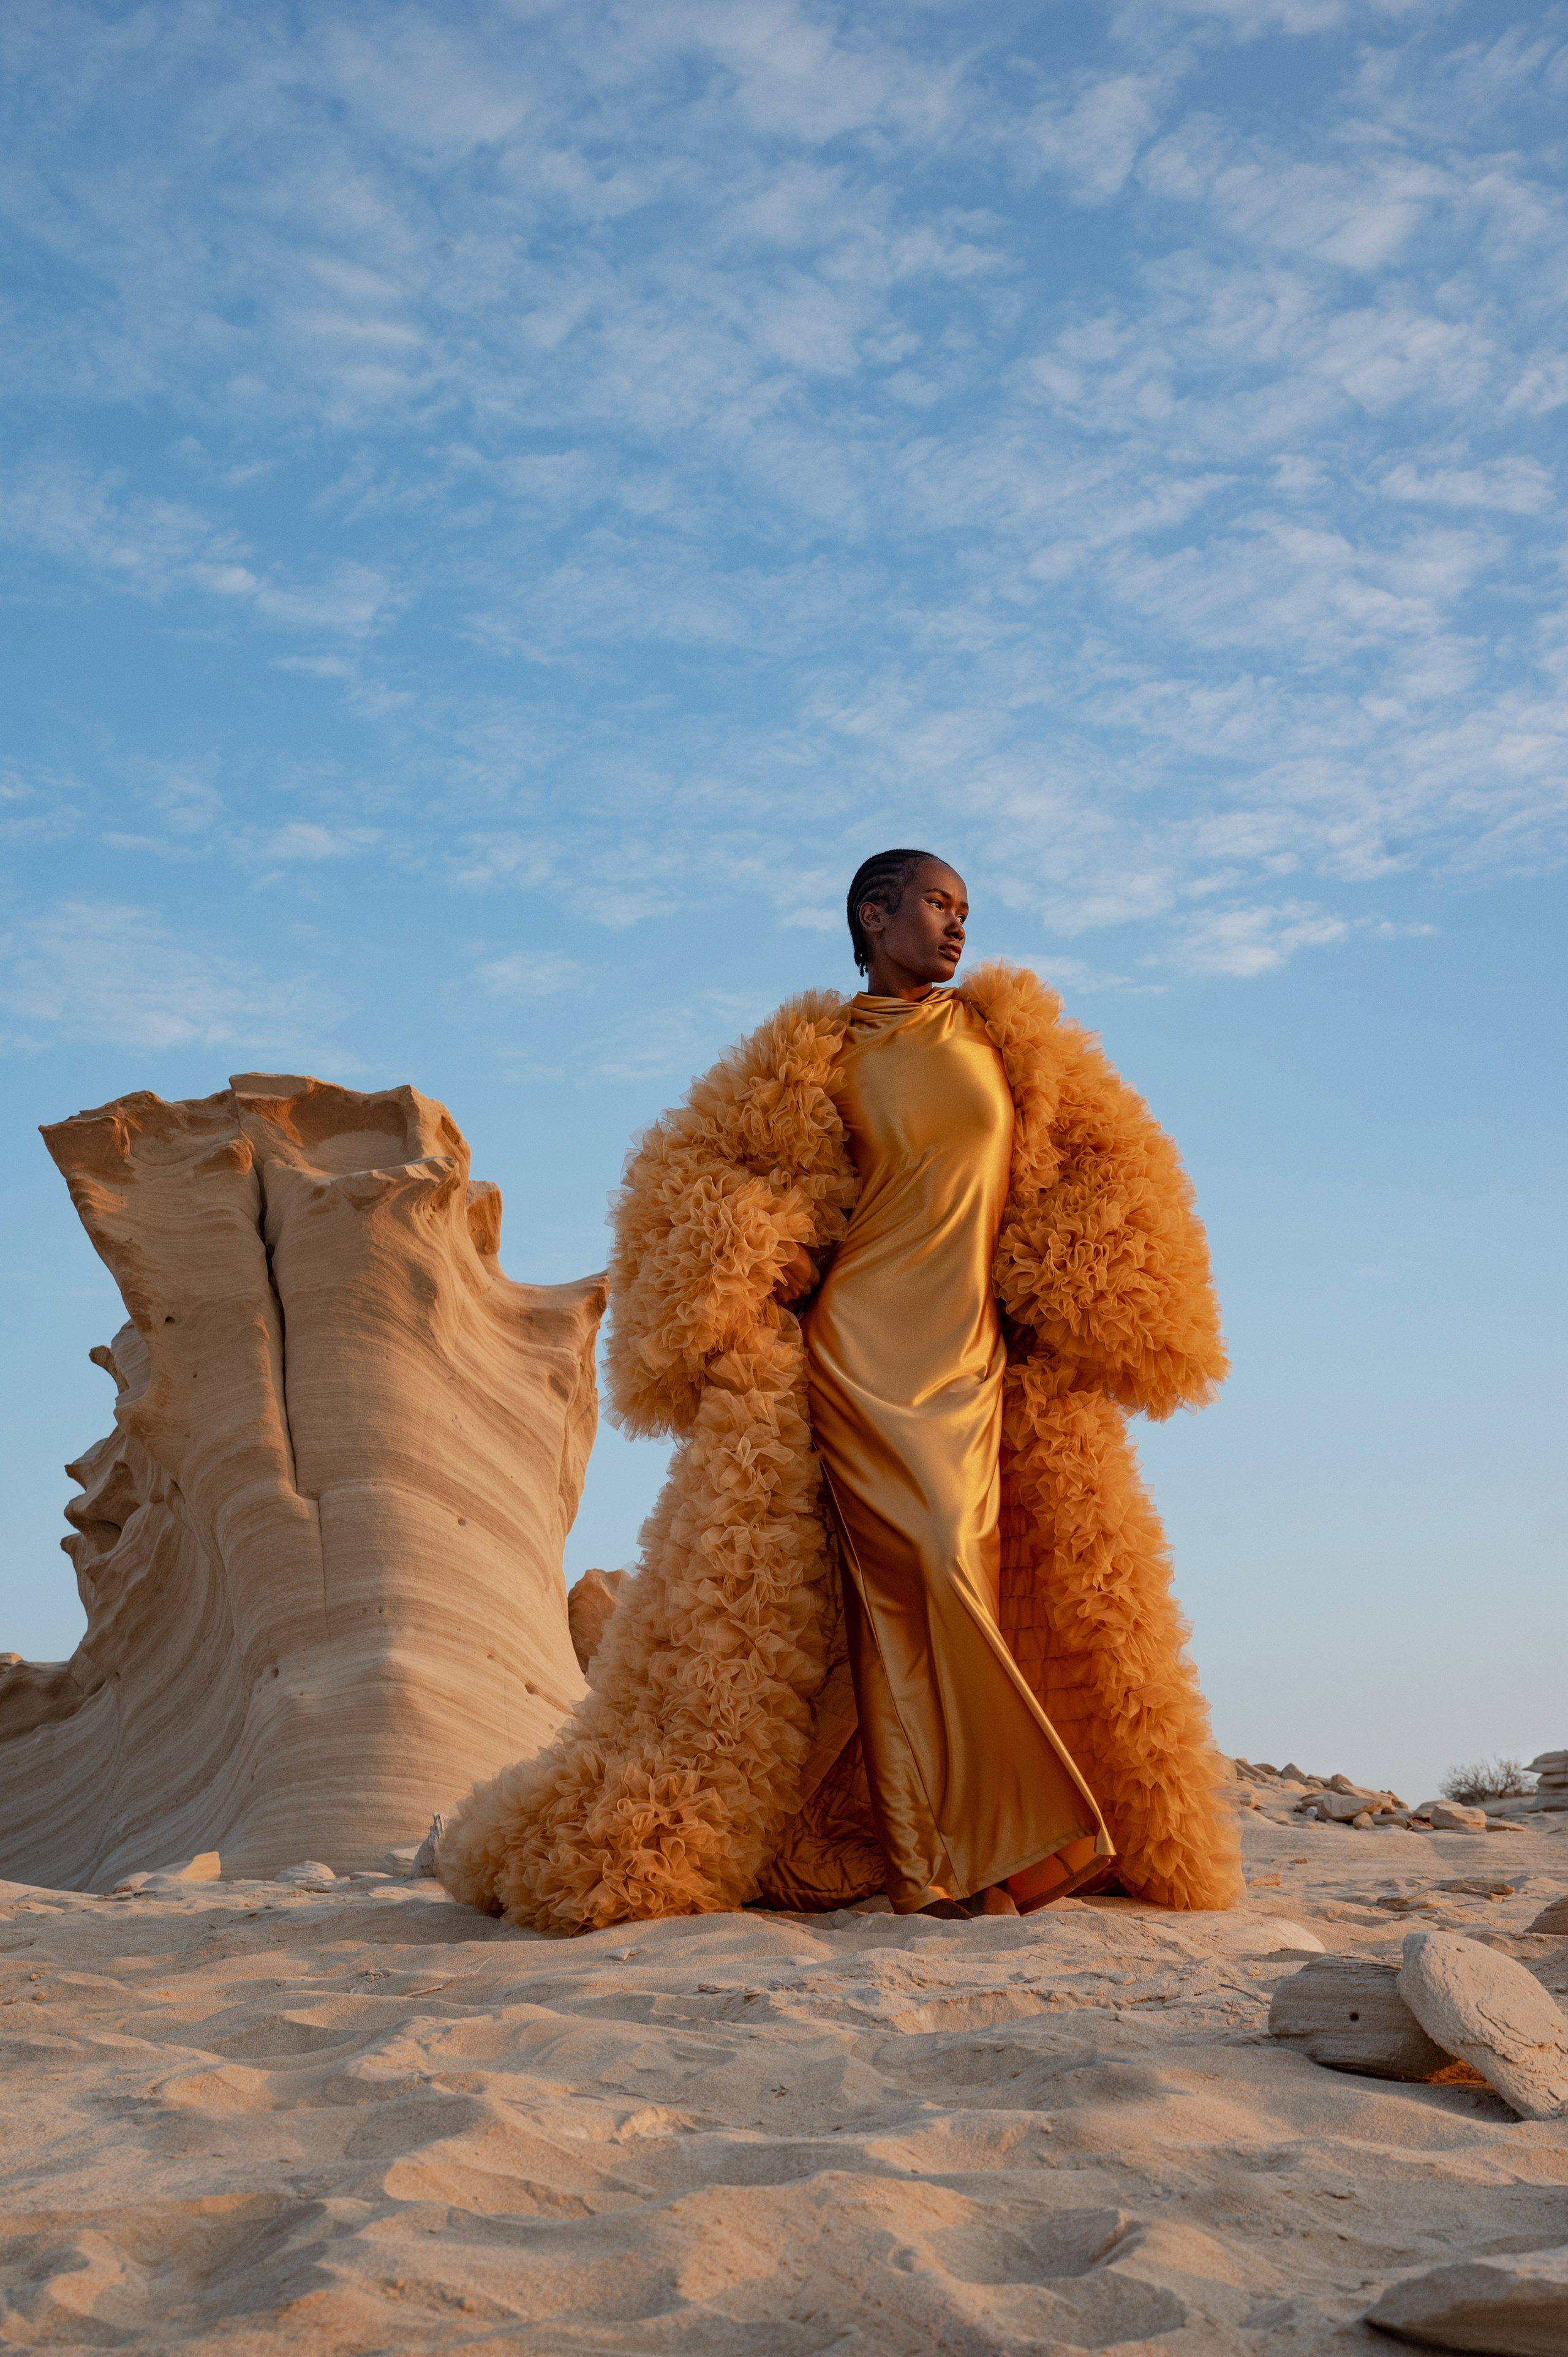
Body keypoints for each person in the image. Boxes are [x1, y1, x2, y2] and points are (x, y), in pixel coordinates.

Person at [439, 850, 1239, 1933]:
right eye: (937, 904)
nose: (957, 925)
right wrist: (761, 1250)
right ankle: (969, 1856)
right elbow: (698, 1172)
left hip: (978, 1358)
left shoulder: (1008, 1040)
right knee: (922, 1572)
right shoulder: (810, 1055)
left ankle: (963, 1850)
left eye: (965, 909)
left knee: (961, 1577)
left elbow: (1097, 1163)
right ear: (874, 915)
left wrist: (1071, 1285)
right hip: (858, 1352)